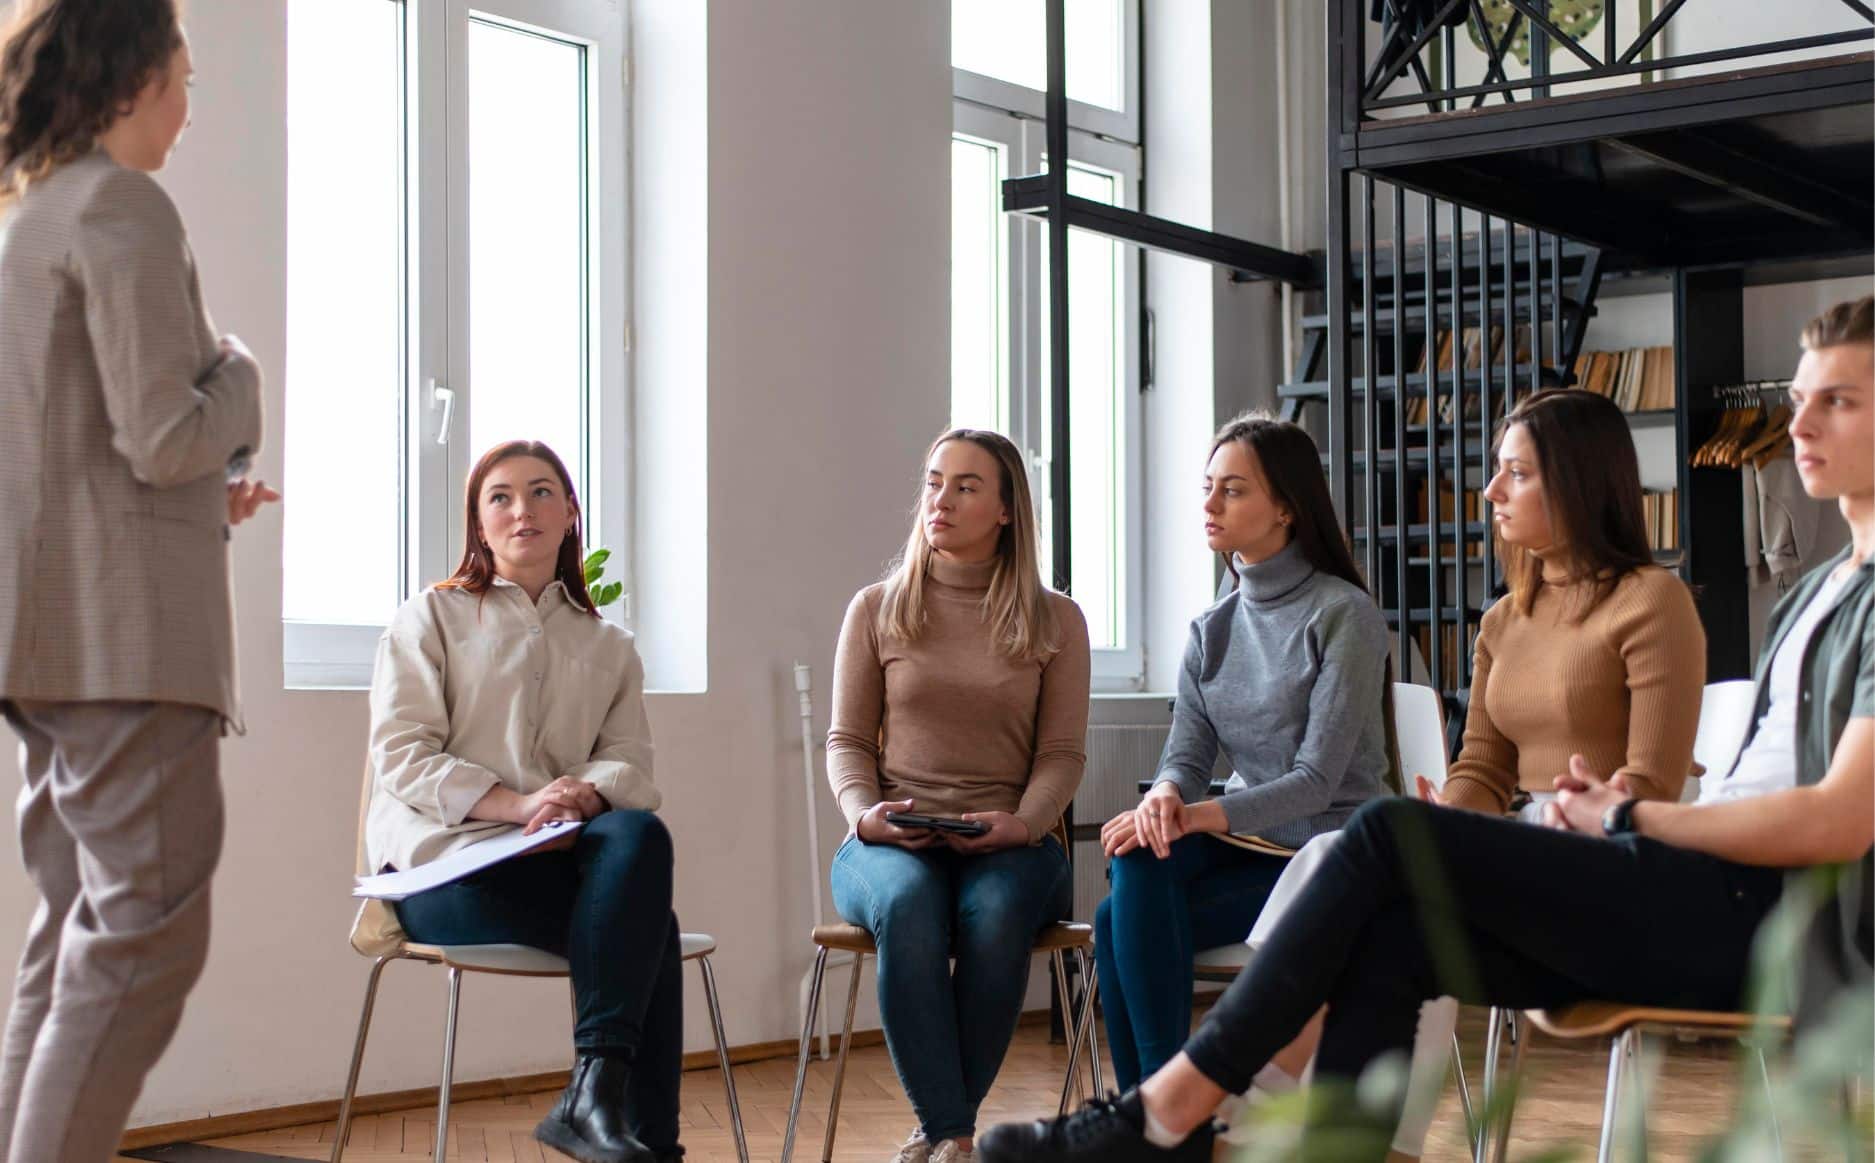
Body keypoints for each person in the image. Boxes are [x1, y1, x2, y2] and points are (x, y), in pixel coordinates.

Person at [976, 297, 1875, 1162]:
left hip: (1757, 917)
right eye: (1797, 401)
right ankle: (1268, 1133)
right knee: (1391, 927)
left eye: (1835, 401)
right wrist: (1466, 808)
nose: (1798, 426)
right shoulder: (1809, 592)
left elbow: (1835, 820)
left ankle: (1172, 1112)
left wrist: (1630, 818)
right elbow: (1485, 760)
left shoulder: (1670, 601)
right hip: (1650, 872)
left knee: (1376, 835)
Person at [1216, 387, 1710, 1161]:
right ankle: (1325, 1131)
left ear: (1577, 480)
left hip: (1610, 860)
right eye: (1494, 470)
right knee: (1349, 871)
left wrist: (1545, 817)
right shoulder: (1503, 620)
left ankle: (1236, 1106)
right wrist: (1448, 807)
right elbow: (1481, 764)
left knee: (1382, 874)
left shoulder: (1653, 601)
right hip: (1516, 843)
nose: (1489, 492)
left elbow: (1650, 784)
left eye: (1515, 473)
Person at [0, 3, 276, 1160]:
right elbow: (165, 434)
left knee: (73, 933)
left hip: (48, 633)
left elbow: (74, 451)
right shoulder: (121, 206)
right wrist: (245, 380)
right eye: (183, 79)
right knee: (141, 940)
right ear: (130, 82)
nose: (188, 106)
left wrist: (204, 494)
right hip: (123, 643)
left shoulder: (29, 219)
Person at [363, 440, 675, 1163]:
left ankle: (595, 1103)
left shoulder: (608, 645)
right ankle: (648, 1142)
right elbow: (402, 756)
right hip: (444, 873)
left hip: (556, 864)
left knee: (637, 834)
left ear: (570, 514)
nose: (521, 508)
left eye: (541, 492)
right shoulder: (428, 620)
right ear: (478, 522)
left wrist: (580, 794)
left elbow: (631, 761)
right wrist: (517, 804)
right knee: (651, 928)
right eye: (499, 496)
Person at [1094, 414, 1394, 1092]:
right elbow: (1187, 755)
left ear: (1285, 507)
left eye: (1231, 490)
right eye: (1207, 487)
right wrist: (1168, 793)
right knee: (1136, 861)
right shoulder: (1210, 628)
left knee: (1119, 919)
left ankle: (1152, 1112)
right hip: (1252, 841)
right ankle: (1161, 1112)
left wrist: (1195, 815)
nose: (1207, 504)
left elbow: (1315, 782)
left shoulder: (1343, 613)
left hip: (1332, 851)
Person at [826, 428, 1090, 1163]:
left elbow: (1061, 755)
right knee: (907, 905)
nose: (940, 499)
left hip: (1010, 840)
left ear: (1006, 510)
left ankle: (944, 1129)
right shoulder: (876, 607)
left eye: (965, 485)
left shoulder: (1055, 620)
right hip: (887, 837)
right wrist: (863, 816)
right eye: (934, 481)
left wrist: (1025, 822)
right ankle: (952, 1131)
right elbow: (846, 742)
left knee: (997, 910)